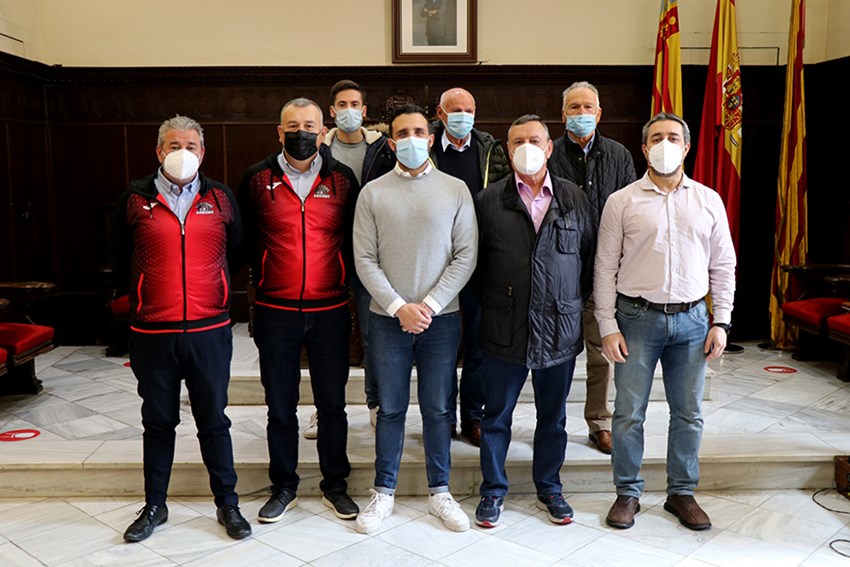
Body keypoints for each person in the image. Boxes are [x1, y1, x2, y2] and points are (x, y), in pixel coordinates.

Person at [109, 115, 251, 542]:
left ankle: (228, 504)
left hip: (209, 330)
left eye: (190, 146)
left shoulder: (220, 198)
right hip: (154, 332)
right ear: (159, 151)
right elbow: (119, 257)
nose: (182, 153)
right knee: (158, 422)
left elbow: (237, 251)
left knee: (214, 421)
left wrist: (213, 288)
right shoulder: (134, 199)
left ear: (202, 153)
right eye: (174, 146)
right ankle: (154, 505)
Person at [595, 112, 736, 531]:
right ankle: (627, 492)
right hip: (636, 318)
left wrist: (722, 321)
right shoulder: (621, 201)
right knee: (628, 413)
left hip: (693, 320)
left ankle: (682, 493)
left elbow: (723, 264)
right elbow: (604, 267)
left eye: (673, 137)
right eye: (656, 138)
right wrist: (607, 325)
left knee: (688, 412)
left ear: (686, 147)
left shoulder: (708, 200)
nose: (665, 144)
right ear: (644, 148)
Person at [352, 104, 477, 535]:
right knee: (389, 408)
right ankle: (383, 491)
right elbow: (364, 259)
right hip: (387, 319)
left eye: (418, 132)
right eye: (402, 133)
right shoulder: (373, 193)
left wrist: (429, 306)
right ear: (391, 143)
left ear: (430, 138)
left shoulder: (456, 189)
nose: (410, 139)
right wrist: (398, 306)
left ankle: (439, 491)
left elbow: (465, 255)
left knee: (439, 408)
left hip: (441, 320)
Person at [238, 98, 360, 524]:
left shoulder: (342, 179)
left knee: (333, 406)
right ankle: (283, 486)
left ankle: (335, 485)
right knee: (280, 406)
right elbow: (243, 240)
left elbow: (354, 239)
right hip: (276, 310)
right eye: (293, 126)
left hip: (330, 309)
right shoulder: (256, 178)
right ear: (279, 131)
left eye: (309, 126)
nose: (301, 133)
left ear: (323, 131)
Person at [472, 115, 596, 528]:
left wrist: (566, 301)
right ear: (508, 150)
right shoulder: (488, 201)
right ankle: (493, 489)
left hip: (559, 328)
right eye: (518, 141)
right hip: (503, 327)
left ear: (549, 147)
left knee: (553, 419)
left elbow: (587, 262)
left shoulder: (574, 198)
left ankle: (550, 486)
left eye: (535, 140)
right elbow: (476, 268)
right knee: (496, 417)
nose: (527, 147)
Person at [548, 81, 637, 455]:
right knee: (557, 354)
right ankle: (551, 424)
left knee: (601, 353)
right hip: (561, 271)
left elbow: (632, 210)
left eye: (588, 107)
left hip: (605, 272)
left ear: (599, 114)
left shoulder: (618, 155)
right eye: (574, 107)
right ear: (563, 114)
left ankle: (600, 422)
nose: (581, 114)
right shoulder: (549, 153)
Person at [305, 79, 395, 438]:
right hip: (328, 252)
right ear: (332, 111)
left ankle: (375, 403)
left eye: (354, 104)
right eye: (342, 105)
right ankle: (324, 409)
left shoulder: (382, 149)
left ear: (364, 110)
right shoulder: (318, 148)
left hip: (373, 252)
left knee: (374, 335)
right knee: (325, 338)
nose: (349, 110)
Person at [430, 87, 510, 446]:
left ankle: (473, 415)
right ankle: (443, 415)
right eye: (456, 110)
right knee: (442, 346)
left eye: (469, 110)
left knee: (478, 344)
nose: (463, 116)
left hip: (480, 261)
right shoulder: (427, 149)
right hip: (437, 263)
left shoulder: (490, 149)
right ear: (441, 114)